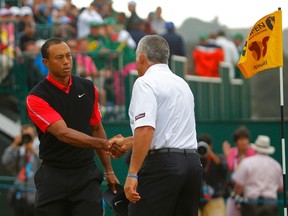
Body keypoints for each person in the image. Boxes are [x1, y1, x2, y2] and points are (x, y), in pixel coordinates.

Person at [109, 35, 203, 216]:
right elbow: (164, 131)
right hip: (192, 165)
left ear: (142, 57)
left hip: (163, 166)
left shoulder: (145, 82)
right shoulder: (182, 84)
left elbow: (146, 129)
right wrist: (127, 143)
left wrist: (132, 173)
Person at [25, 37, 119, 216]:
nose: (66, 61)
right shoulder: (36, 97)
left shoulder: (88, 87)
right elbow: (63, 134)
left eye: (68, 56)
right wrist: (104, 144)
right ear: (46, 62)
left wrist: (109, 170)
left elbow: (97, 128)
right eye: (59, 57)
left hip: (86, 175)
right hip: (53, 176)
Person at [233, 135, 283, 216]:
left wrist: (237, 198)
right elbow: (281, 187)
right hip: (271, 204)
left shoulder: (247, 163)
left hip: (251, 204)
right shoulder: (276, 165)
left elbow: (239, 185)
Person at [1, 124, 41, 216]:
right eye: (24, 135)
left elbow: (44, 164)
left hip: (34, 192)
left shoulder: (39, 148)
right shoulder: (19, 150)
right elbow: (5, 161)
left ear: (34, 135)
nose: (27, 137)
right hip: (19, 192)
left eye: (29, 135)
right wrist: (14, 145)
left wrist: (34, 152)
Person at [222, 125, 256, 216]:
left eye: (245, 139)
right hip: (235, 190)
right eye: (241, 139)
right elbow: (230, 168)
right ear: (236, 141)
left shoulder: (253, 152)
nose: (244, 142)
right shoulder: (232, 152)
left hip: (250, 191)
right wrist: (227, 155)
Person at [197, 134, 228, 216]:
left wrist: (211, 154)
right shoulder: (194, 159)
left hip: (215, 198)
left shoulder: (217, 159)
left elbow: (224, 169)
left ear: (210, 146)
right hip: (196, 200)